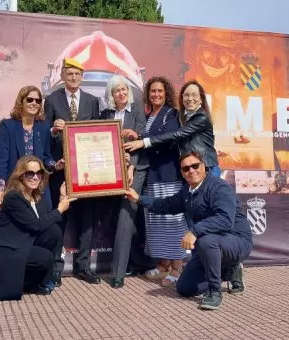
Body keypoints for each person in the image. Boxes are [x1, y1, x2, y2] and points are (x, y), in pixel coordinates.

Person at [125, 152, 252, 310]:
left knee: (206, 241)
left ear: (203, 166)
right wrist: (138, 198)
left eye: (195, 166)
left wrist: (194, 231)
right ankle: (228, 271)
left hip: (236, 241)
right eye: (186, 169)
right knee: (184, 288)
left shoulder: (219, 187)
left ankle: (214, 292)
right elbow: (165, 205)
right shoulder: (187, 192)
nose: (191, 171)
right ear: (182, 173)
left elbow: (225, 220)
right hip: (210, 247)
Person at [123, 76, 188, 287]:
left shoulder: (172, 114)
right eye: (152, 91)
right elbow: (146, 138)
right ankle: (163, 264)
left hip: (169, 173)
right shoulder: (149, 115)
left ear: (166, 92)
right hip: (153, 174)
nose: (156, 94)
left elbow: (170, 137)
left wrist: (142, 141)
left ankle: (177, 268)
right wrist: (136, 135)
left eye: (160, 91)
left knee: (173, 222)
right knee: (157, 222)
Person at [0, 156, 76, 301]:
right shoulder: (13, 197)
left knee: (54, 232)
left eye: (39, 173)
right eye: (30, 173)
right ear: (20, 175)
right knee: (45, 258)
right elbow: (37, 225)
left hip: (23, 240)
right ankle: (27, 283)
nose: (35, 177)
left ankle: (34, 282)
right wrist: (59, 209)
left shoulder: (37, 196)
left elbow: (45, 222)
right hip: (7, 247)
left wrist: (61, 200)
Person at [43, 58, 101, 285]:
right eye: (69, 74)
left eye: (77, 74)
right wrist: (53, 130)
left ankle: (84, 266)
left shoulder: (92, 101)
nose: (73, 78)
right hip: (61, 170)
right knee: (60, 219)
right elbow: (44, 134)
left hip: (86, 172)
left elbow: (97, 134)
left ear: (82, 76)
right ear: (63, 76)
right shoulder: (52, 100)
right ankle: (56, 268)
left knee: (87, 219)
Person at [98, 75, 147, 288]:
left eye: (124, 89)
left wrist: (131, 166)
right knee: (112, 216)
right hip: (111, 170)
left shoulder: (137, 113)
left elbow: (141, 140)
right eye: (117, 90)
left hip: (135, 169)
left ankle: (117, 273)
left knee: (126, 214)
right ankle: (140, 261)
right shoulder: (105, 114)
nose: (122, 93)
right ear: (111, 94)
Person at [124, 80, 221, 178]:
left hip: (207, 168)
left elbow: (178, 134)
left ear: (201, 99)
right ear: (182, 98)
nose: (190, 98)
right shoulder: (184, 117)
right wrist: (139, 136)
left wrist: (143, 142)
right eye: (186, 95)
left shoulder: (201, 118)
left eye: (194, 95)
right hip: (192, 168)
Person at [0, 85, 59, 211]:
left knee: (44, 224)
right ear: (21, 102)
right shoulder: (7, 127)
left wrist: (55, 165)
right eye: (30, 100)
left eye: (38, 100)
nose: (34, 103)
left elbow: (46, 156)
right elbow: (1, 161)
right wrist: (1, 190)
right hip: (15, 185)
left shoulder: (43, 127)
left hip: (38, 186)